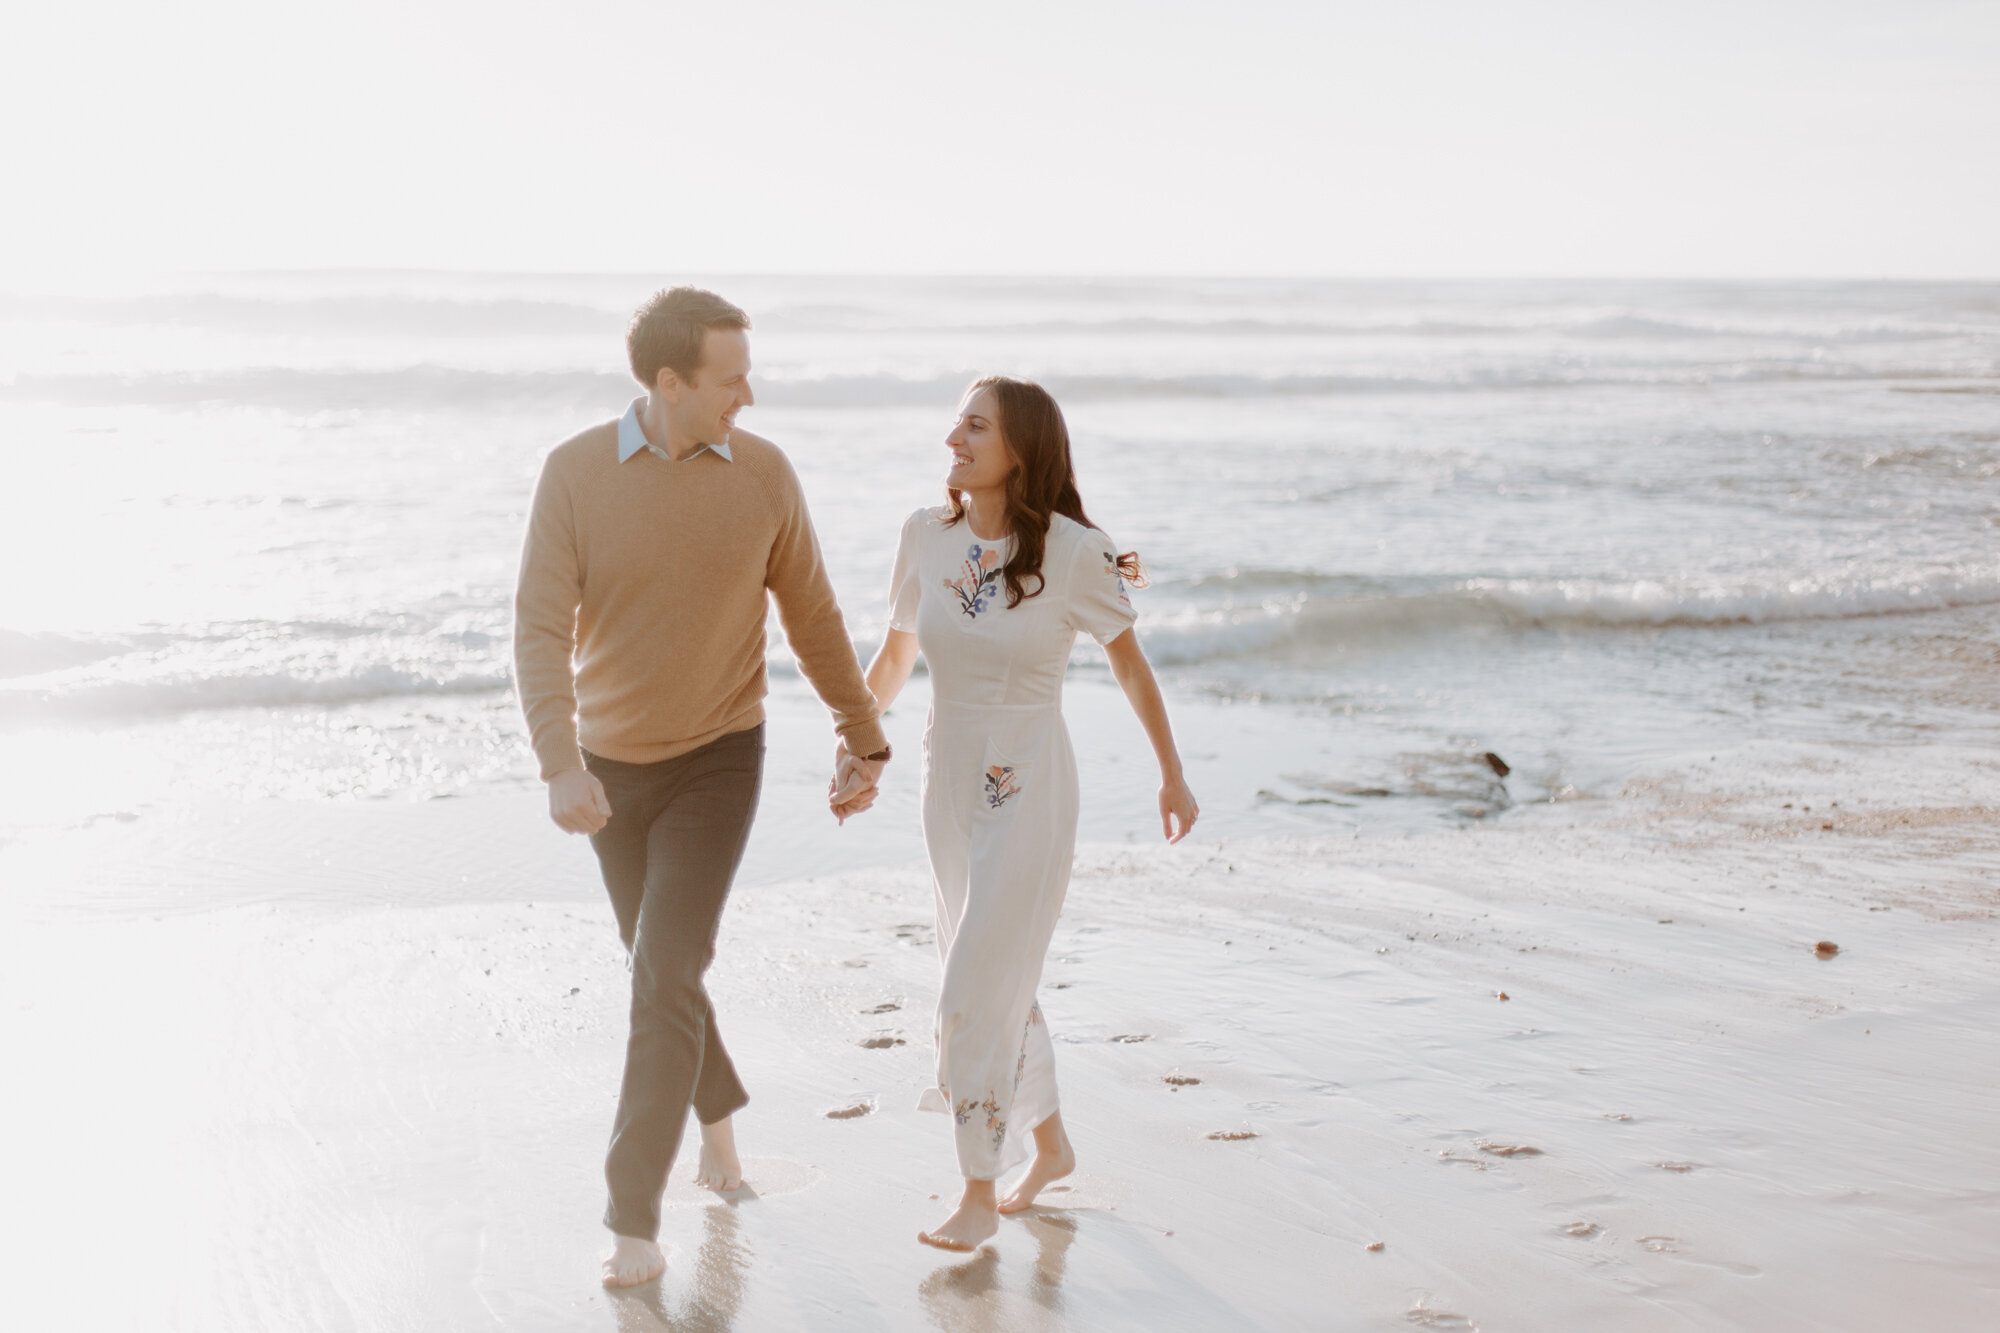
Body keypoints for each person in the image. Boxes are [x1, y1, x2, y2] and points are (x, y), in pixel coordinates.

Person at [513, 286, 890, 1287]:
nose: (749, 396)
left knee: (663, 966)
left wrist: (865, 738)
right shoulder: (574, 474)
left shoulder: (763, 476)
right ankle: (721, 1127)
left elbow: (810, 611)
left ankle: (631, 1217)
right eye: (730, 379)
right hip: (609, 771)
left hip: (720, 757)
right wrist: (559, 763)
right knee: (661, 967)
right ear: (668, 383)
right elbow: (540, 630)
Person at [852, 375, 1198, 1251]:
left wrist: (1172, 773)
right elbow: (895, 656)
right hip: (947, 780)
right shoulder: (924, 539)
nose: (952, 439)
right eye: (957, 422)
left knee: (971, 985)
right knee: (998, 976)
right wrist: (859, 745)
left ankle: (978, 1187)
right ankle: (1051, 1145)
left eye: (975, 426)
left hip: (1031, 787)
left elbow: (1129, 665)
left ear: (1020, 449)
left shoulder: (1076, 552)